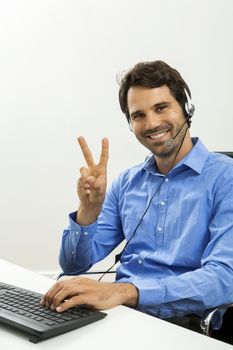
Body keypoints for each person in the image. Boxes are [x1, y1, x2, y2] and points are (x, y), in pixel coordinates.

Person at [41, 60, 233, 332]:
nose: (152, 123)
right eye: (138, 115)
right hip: (120, 317)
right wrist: (88, 212)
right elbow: (74, 266)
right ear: (131, 124)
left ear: (187, 109)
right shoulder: (128, 182)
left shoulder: (226, 179)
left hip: (183, 326)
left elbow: (225, 279)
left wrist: (126, 291)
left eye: (161, 107)